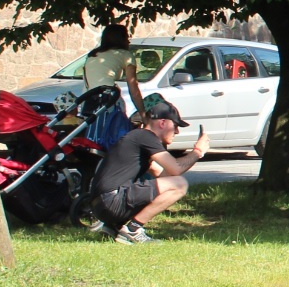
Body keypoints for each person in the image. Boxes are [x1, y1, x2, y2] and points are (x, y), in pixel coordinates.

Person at [87, 101, 208, 244]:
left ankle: (113, 227)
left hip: (101, 206)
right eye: (175, 126)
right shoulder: (145, 136)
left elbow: (165, 175)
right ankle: (133, 229)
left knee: (174, 183)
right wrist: (198, 152)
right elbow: (176, 169)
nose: (177, 132)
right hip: (111, 201)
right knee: (180, 184)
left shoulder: (137, 138)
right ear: (162, 123)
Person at [82, 24, 146, 113]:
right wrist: (143, 114)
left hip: (89, 100)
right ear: (121, 39)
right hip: (110, 99)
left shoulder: (93, 55)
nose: (129, 41)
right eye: (127, 37)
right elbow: (133, 88)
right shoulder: (125, 55)